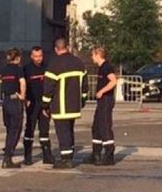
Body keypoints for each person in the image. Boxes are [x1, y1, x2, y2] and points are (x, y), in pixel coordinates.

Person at [42, 38, 88, 169]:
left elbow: (48, 87)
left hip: (60, 105)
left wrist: (45, 104)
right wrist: (82, 99)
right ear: (67, 47)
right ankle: (70, 153)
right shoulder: (78, 63)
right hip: (75, 105)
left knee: (62, 132)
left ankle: (66, 159)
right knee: (69, 130)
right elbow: (85, 86)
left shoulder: (55, 64)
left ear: (56, 49)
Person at [84, 46, 117, 166]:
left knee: (105, 126)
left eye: (93, 55)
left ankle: (109, 155)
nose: (91, 57)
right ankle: (96, 153)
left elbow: (113, 81)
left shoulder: (106, 67)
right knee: (96, 126)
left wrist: (102, 91)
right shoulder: (101, 68)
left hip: (106, 100)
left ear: (98, 55)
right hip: (101, 101)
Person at [22, 47, 54, 165]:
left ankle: (47, 155)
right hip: (32, 103)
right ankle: (27, 156)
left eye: (40, 56)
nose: (38, 58)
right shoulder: (26, 69)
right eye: (35, 56)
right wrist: (25, 99)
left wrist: (49, 103)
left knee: (44, 129)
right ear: (31, 56)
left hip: (44, 103)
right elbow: (22, 85)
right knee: (29, 129)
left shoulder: (47, 68)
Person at [0, 48, 26, 169]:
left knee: (9, 129)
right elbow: (22, 83)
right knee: (16, 129)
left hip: (5, 101)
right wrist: (22, 96)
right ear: (18, 58)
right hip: (15, 101)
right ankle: (7, 157)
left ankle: (7, 154)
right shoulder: (18, 69)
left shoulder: (4, 70)